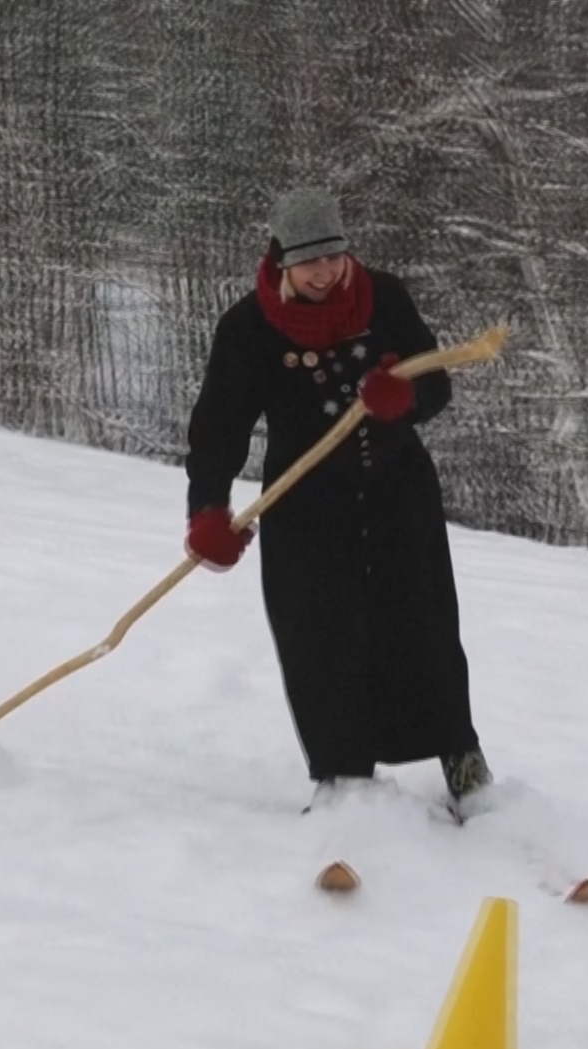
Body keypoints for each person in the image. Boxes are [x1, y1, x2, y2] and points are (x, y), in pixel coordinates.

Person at [183, 186, 493, 815]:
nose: (324, 272)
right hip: (306, 510)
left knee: (425, 628)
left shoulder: (385, 298)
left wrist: (404, 400)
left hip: (397, 496)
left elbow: (435, 384)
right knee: (319, 639)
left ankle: (461, 759)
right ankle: (343, 778)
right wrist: (208, 509)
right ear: (282, 260)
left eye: (333, 257)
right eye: (308, 262)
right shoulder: (248, 327)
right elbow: (219, 426)